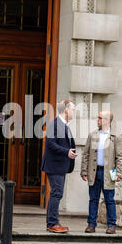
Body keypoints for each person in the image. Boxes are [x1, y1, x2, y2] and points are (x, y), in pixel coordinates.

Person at [81, 110, 122, 234]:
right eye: (98, 118)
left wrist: (119, 173)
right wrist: (84, 170)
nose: (97, 120)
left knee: (109, 200)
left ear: (107, 121)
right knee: (93, 199)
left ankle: (111, 225)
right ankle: (91, 224)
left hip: (109, 172)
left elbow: (120, 157)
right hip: (94, 172)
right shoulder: (93, 135)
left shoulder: (116, 137)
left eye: (100, 118)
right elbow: (86, 154)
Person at [41, 100, 77, 233]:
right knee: (57, 193)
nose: (74, 112)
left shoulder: (64, 125)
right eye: (73, 109)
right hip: (54, 165)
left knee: (57, 193)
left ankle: (53, 222)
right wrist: (66, 152)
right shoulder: (54, 124)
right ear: (66, 110)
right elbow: (51, 144)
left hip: (60, 165)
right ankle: (52, 223)